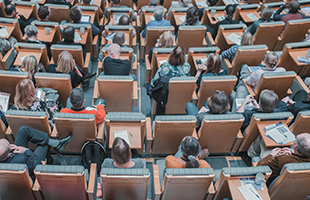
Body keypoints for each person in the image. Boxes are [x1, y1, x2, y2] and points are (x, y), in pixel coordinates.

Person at [0, 126, 72, 178]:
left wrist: (11, 149)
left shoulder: (4, 154)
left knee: (23, 130)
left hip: (10, 157)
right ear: (8, 152)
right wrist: (25, 150)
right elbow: (38, 165)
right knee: (44, 144)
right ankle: (50, 160)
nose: (12, 144)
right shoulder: (22, 159)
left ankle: (55, 144)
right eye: (10, 145)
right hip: (27, 163)